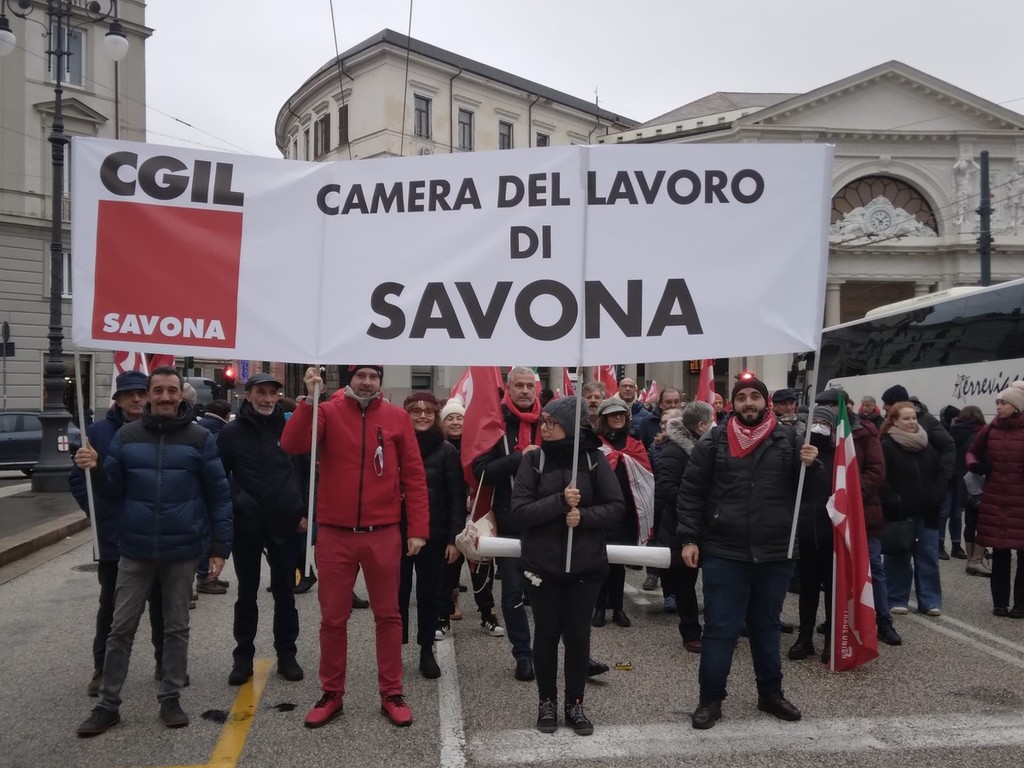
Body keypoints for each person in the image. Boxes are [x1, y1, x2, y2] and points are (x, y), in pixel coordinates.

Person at [74, 366, 233, 737]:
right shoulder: (127, 436)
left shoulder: (199, 438)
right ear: (148, 395)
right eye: (158, 390)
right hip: (136, 549)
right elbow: (111, 491)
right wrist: (95, 469)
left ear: (180, 395)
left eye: (171, 390)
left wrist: (219, 547)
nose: (164, 397)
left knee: (176, 627)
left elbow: (219, 495)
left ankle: (170, 697)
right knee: (121, 627)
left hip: (181, 550)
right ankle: (108, 704)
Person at [281, 365, 428, 729]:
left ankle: (392, 692)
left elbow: (414, 475)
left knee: (389, 615)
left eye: (373, 376)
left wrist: (418, 529)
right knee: (333, 619)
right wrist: (308, 400)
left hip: (383, 532)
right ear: (350, 379)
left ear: (380, 380)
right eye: (360, 375)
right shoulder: (326, 411)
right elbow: (293, 444)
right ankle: (332, 693)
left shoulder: (396, 418)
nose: (366, 382)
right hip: (336, 533)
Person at [676, 375, 819, 730]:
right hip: (725, 550)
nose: (749, 403)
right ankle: (710, 699)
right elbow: (691, 492)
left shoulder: (790, 440)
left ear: (765, 402)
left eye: (755, 396)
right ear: (733, 404)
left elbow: (813, 491)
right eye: (742, 397)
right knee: (720, 629)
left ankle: (770, 693)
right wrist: (689, 538)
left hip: (775, 550)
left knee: (766, 626)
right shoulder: (714, 440)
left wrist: (813, 466)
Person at [510, 396, 624, 736]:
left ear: (570, 426)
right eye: (542, 421)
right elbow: (519, 512)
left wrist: (584, 516)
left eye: (551, 422)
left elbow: (616, 506)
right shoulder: (533, 460)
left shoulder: (593, 460)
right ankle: (546, 701)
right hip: (541, 566)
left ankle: (575, 704)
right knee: (546, 635)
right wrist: (559, 501)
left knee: (577, 636)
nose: (544, 428)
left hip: (585, 566)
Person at [69, 370, 164, 697]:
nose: (136, 399)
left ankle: (165, 662)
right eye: (129, 394)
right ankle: (103, 668)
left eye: (141, 393)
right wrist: (95, 512)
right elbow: (77, 478)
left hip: (155, 533)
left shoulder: (160, 429)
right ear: (118, 399)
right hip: (115, 536)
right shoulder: (97, 433)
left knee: (161, 604)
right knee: (111, 606)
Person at [217, 372, 306, 687]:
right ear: (249, 395)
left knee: (285, 593)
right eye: (261, 393)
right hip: (247, 523)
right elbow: (219, 477)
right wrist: (236, 503)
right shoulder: (231, 433)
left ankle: (287, 654)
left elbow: (305, 472)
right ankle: (243, 658)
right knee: (246, 593)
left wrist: (304, 511)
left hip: (285, 521)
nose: (267, 399)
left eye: (272, 393)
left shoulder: (290, 429)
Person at [473, 366, 543, 682]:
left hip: (547, 524)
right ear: (509, 388)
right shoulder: (495, 424)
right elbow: (481, 471)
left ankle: (558, 652)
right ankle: (523, 655)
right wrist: (520, 458)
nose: (525, 391)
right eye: (519, 386)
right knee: (514, 593)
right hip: (510, 524)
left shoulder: (551, 421)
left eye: (530, 386)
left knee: (551, 595)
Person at [813, 389, 899, 647]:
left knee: (871, 566)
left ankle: (883, 620)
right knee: (834, 571)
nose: (824, 411)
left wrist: (849, 494)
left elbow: (876, 470)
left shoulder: (864, 432)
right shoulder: (816, 431)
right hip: (827, 513)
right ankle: (837, 619)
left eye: (830, 406)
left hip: (861, 512)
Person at [398, 392, 464, 679]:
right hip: (397, 532)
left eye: (428, 411)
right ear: (406, 414)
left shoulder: (446, 450)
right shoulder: (395, 445)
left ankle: (426, 650)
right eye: (416, 411)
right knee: (396, 596)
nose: (423, 415)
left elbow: (456, 497)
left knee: (429, 595)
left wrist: (453, 539)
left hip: (435, 535)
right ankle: (395, 649)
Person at [437, 399, 503, 639]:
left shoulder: (478, 448)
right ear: (442, 423)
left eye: (459, 418)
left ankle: (488, 615)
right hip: (448, 519)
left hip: (477, 516)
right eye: (450, 418)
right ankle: (442, 618)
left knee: (481, 568)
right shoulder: (439, 448)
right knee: (447, 572)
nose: (455, 422)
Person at [655, 402, 712, 652]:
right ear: (701, 425)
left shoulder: (710, 447)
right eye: (711, 421)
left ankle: (716, 630)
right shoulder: (673, 451)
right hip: (679, 526)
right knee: (685, 584)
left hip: (710, 526)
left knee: (715, 582)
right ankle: (690, 632)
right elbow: (666, 489)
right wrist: (695, 503)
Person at [879, 401, 945, 617]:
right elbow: (883, 478)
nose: (911, 422)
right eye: (906, 418)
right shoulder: (887, 445)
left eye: (914, 418)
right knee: (898, 556)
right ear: (894, 421)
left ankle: (930, 601)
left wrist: (938, 494)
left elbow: (939, 473)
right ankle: (896, 598)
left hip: (927, 511)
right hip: (900, 513)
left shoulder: (927, 445)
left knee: (928, 556)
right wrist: (893, 499)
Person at [592, 397, 653, 629]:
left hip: (626, 512)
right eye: (612, 414)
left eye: (621, 414)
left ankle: (617, 608)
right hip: (601, 511)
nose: (618, 417)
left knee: (618, 563)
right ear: (604, 418)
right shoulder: (595, 444)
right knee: (600, 561)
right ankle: (599, 608)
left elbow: (646, 475)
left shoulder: (634, 443)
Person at [966, 385, 1024, 617]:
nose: (998, 407)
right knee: (1000, 552)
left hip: (1021, 499)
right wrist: (976, 465)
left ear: (1017, 407)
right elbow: (972, 452)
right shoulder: (990, 428)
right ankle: (1000, 603)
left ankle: (1020, 605)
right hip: (996, 499)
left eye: (1004, 403)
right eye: (998, 403)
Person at [951, 406, 990, 576]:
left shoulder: (953, 433)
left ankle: (970, 560)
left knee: (970, 522)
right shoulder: (979, 435)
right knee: (983, 523)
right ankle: (976, 560)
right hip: (978, 484)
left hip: (962, 483)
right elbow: (984, 460)